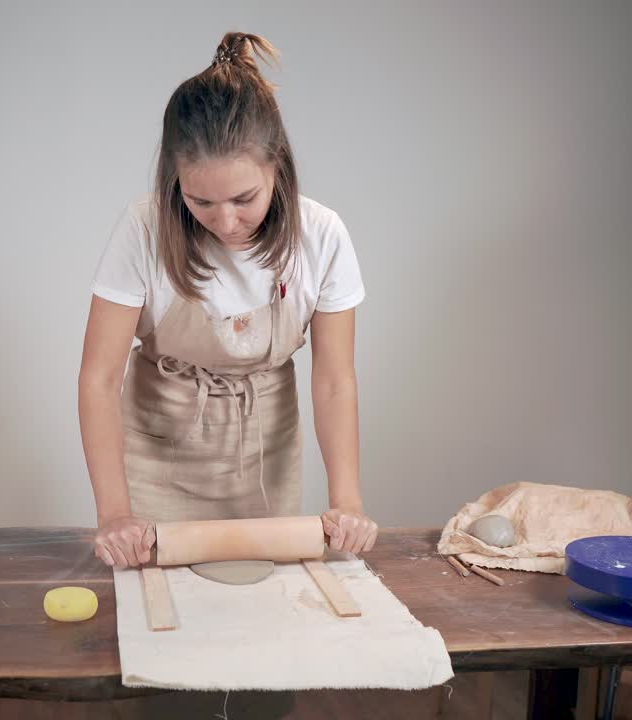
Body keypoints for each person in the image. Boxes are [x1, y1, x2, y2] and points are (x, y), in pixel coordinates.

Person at [79, 32, 377, 569]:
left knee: (261, 613)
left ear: (276, 168)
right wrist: (114, 514)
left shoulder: (322, 236)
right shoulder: (142, 231)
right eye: (201, 201)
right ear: (175, 181)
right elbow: (99, 379)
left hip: (264, 453)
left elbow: (335, 380)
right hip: (158, 449)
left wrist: (348, 502)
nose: (225, 221)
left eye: (245, 199)